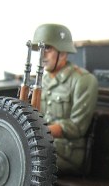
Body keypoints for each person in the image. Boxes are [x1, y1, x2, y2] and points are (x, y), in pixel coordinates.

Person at [32, 23, 98, 175]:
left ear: (62, 53)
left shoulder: (83, 80)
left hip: (68, 153)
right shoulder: (42, 81)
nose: (42, 55)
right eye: (40, 49)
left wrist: (42, 131)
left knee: (29, 162)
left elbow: (76, 127)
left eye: (47, 49)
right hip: (43, 145)